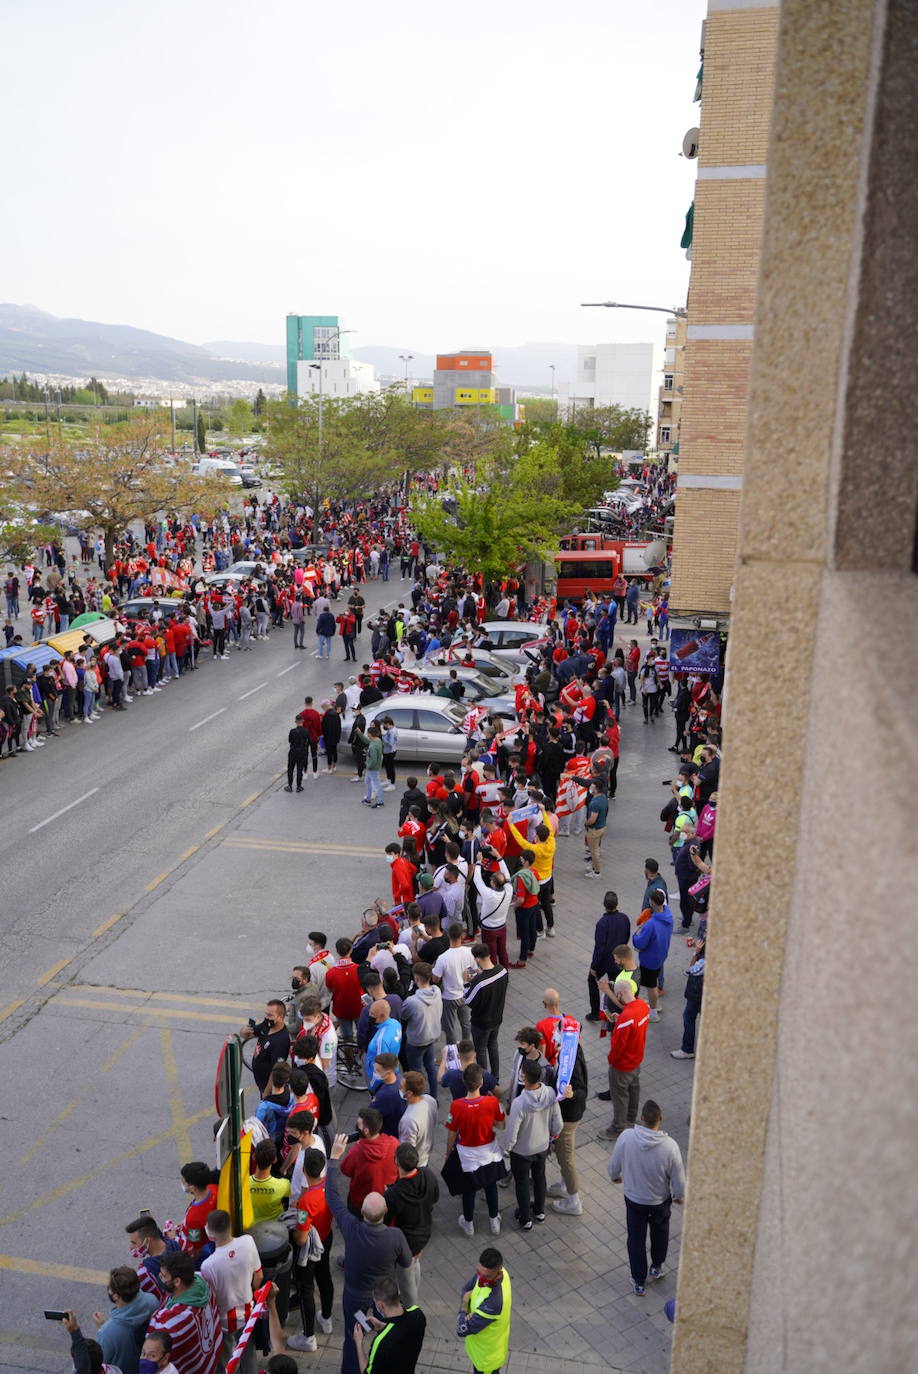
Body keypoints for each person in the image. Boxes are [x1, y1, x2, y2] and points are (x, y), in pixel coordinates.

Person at [325, 1136, 412, 1374]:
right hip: (384, 1298)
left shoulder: (351, 1228)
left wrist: (334, 1159)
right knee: (387, 1335)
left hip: (355, 1297)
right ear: (386, 1212)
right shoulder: (395, 1236)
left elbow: (331, 1196)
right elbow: (406, 1262)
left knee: (353, 1339)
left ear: (361, 1211)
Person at [608, 1099, 686, 1295]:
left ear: (641, 1118)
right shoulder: (670, 1146)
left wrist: (615, 1176)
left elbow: (614, 1163)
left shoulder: (627, 1137)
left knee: (636, 1239)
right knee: (660, 1234)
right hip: (659, 1201)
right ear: (661, 1118)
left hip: (634, 1200)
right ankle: (656, 1267)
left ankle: (638, 1280)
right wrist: (679, 1195)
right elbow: (678, 1176)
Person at [444, 1062, 505, 1238]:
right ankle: (494, 1222)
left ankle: (468, 1224)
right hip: (489, 1151)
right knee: (490, 1184)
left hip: (466, 1154)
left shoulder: (456, 1106)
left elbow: (451, 1134)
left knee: (469, 1188)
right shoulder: (492, 1102)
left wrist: (448, 1153)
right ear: (481, 1083)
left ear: (464, 1082)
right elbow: (501, 1125)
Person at [199, 1209, 263, 1370]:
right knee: (248, 1354)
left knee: (224, 1360)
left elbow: (211, 1298)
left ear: (210, 1235)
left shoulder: (208, 1265)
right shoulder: (248, 1241)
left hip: (223, 1320)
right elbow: (259, 1276)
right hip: (248, 1310)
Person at [503, 1059, 562, 1231]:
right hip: (542, 1146)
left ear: (524, 1077)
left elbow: (512, 1131)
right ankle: (539, 1211)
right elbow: (557, 1122)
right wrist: (552, 1135)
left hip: (522, 1151)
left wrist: (507, 1149)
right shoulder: (550, 1093)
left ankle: (525, 1218)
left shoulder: (519, 1103)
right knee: (540, 1178)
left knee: (521, 1183)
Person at [290, 1146, 335, 1353]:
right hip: (326, 1239)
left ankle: (308, 1337)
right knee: (325, 1278)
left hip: (309, 1251)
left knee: (306, 1290)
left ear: (304, 1172)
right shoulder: (329, 1187)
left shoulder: (304, 1202)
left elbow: (300, 1239)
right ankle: (326, 1318)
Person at [147, 1250, 222, 1374]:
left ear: (177, 1281)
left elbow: (153, 1349)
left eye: (163, 1276)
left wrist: (156, 1318)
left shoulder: (172, 1320)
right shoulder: (201, 1280)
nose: (160, 1278)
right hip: (210, 1357)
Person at [384, 1142, 439, 1310]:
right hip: (424, 1232)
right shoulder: (428, 1175)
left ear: (396, 1162)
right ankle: (414, 1289)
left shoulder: (394, 1194)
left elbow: (386, 1219)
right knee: (415, 1264)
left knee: (405, 1278)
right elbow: (435, 1198)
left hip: (406, 1242)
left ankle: (410, 1308)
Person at [601, 982, 650, 1142]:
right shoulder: (643, 1006)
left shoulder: (626, 1019)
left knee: (620, 1096)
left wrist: (611, 1061)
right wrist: (620, 1018)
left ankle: (617, 1128)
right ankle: (630, 1118)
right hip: (636, 1059)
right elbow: (634, 1026)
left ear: (620, 994)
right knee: (634, 1089)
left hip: (622, 1065)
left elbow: (618, 1046)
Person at [90, 1266, 158, 1374]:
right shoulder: (152, 1301)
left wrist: (105, 1327)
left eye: (110, 1288)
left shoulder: (106, 1334)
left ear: (116, 1296)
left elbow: (99, 1365)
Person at [354, 1276, 426, 1374]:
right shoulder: (418, 1315)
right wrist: (382, 1326)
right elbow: (402, 1329)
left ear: (381, 1305)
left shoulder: (381, 1342)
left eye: (375, 1302)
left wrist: (358, 1343)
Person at [456, 1248, 512, 1374]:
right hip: (482, 1350)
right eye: (478, 1272)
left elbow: (461, 1329)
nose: (480, 1279)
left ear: (498, 1273)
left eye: (486, 1276)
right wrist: (470, 1314)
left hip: (486, 1360)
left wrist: (465, 1303)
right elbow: (466, 1288)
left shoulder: (494, 1302)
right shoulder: (502, 1272)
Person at [339, 1107, 399, 1212]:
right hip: (384, 1198)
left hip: (361, 1201)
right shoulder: (394, 1143)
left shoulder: (356, 1152)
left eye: (358, 1124)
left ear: (366, 1131)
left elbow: (345, 1170)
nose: (356, 1127)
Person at [463, 943, 508, 1080]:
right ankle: (496, 1077)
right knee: (493, 1046)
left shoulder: (479, 982)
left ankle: (485, 1079)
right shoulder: (502, 971)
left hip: (481, 1023)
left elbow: (468, 1001)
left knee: (481, 1050)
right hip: (497, 1018)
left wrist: (466, 983)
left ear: (477, 959)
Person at [586, 891, 632, 1021]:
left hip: (604, 961)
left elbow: (599, 947)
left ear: (604, 905)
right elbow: (626, 936)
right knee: (617, 985)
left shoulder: (602, 923)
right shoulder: (624, 918)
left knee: (592, 980)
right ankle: (618, 1010)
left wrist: (594, 966)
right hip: (619, 959)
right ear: (617, 904)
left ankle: (595, 1012)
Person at [631, 889, 674, 1022]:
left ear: (653, 903)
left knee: (651, 986)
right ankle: (655, 1004)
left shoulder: (651, 924)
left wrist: (636, 933)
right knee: (654, 981)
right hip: (660, 955)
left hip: (649, 960)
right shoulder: (668, 915)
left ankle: (653, 1012)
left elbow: (640, 943)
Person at [400, 962, 441, 1098]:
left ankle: (420, 1098)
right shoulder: (437, 991)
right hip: (431, 1037)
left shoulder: (412, 1001)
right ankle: (434, 1097)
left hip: (416, 1041)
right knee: (430, 1067)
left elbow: (403, 1016)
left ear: (416, 979)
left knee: (416, 1072)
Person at [432, 923, 477, 1043]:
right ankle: (467, 1045)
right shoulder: (470, 952)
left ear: (448, 936)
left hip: (449, 996)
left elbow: (435, 979)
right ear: (462, 935)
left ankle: (452, 1050)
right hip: (465, 993)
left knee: (450, 1027)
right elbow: (474, 973)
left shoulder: (443, 958)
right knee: (466, 1023)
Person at [125, 1214, 181, 1300]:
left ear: (147, 1241)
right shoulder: (175, 1244)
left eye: (134, 1243)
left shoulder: (144, 1274)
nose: (131, 1247)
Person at [239, 1001, 291, 1092]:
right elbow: (247, 1035)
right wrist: (244, 1030)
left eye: (270, 1015)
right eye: (266, 1014)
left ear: (281, 1017)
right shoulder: (267, 1025)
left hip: (268, 1087)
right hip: (260, 1082)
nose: (267, 1018)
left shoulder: (281, 1041)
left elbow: (276, 1071)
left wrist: (266, 1093)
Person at [672, 935, 705, 1059]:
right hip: (700, 992)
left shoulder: (705, 959)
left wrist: (695, 953)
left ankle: (687, 1049)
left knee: (688, 1017)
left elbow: (692, 970)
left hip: (697, 993)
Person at [177, 1162, 218, 1256]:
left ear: (192, 1188)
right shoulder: (214, 1188)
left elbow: (195, 1248)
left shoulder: (193, 1219)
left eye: (184, 1181)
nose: (182, 1182)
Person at [397, 1072, 438, 1167]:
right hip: (425, 1154)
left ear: (409, 1093)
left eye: (401, 1087)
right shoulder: (430, 1100)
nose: (399, 1088)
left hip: (415, 1164)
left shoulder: (408, 1120)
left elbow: (407, 1151)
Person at [249, 1139, 291, 1221]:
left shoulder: (242, 1184)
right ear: (275, 1160)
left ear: (254, 1157)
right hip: (275, 1225)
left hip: (252, 1226)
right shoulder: (284, 1185)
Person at [370, 1053, 407, 1138]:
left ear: (388, 1073)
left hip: (388, 1131)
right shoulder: (398, 1077)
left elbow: (371, 1114)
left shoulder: (386, 1095)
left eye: (378, 1071)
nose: (375, 1072)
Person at [582, 781, 609, 879]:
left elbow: (592, 819)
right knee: (595, 848)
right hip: (602, 827)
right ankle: (594, 867)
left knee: (594, 851)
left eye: (592, 786)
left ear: (596, 789)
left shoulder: (595, 803)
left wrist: (586, 823)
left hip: (594, 830)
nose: (591, 787)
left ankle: (597, 872)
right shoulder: (603, 798)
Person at [284, 717, 311, 792]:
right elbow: (310, 741)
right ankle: (298, 786)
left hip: (293, 752)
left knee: (290, 769)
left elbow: (290, 740)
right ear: (303, 721)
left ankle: (289, 786)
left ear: (296, 722)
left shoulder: (292, 731)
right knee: (300, 769)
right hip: (302, 753)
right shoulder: (306, 731)